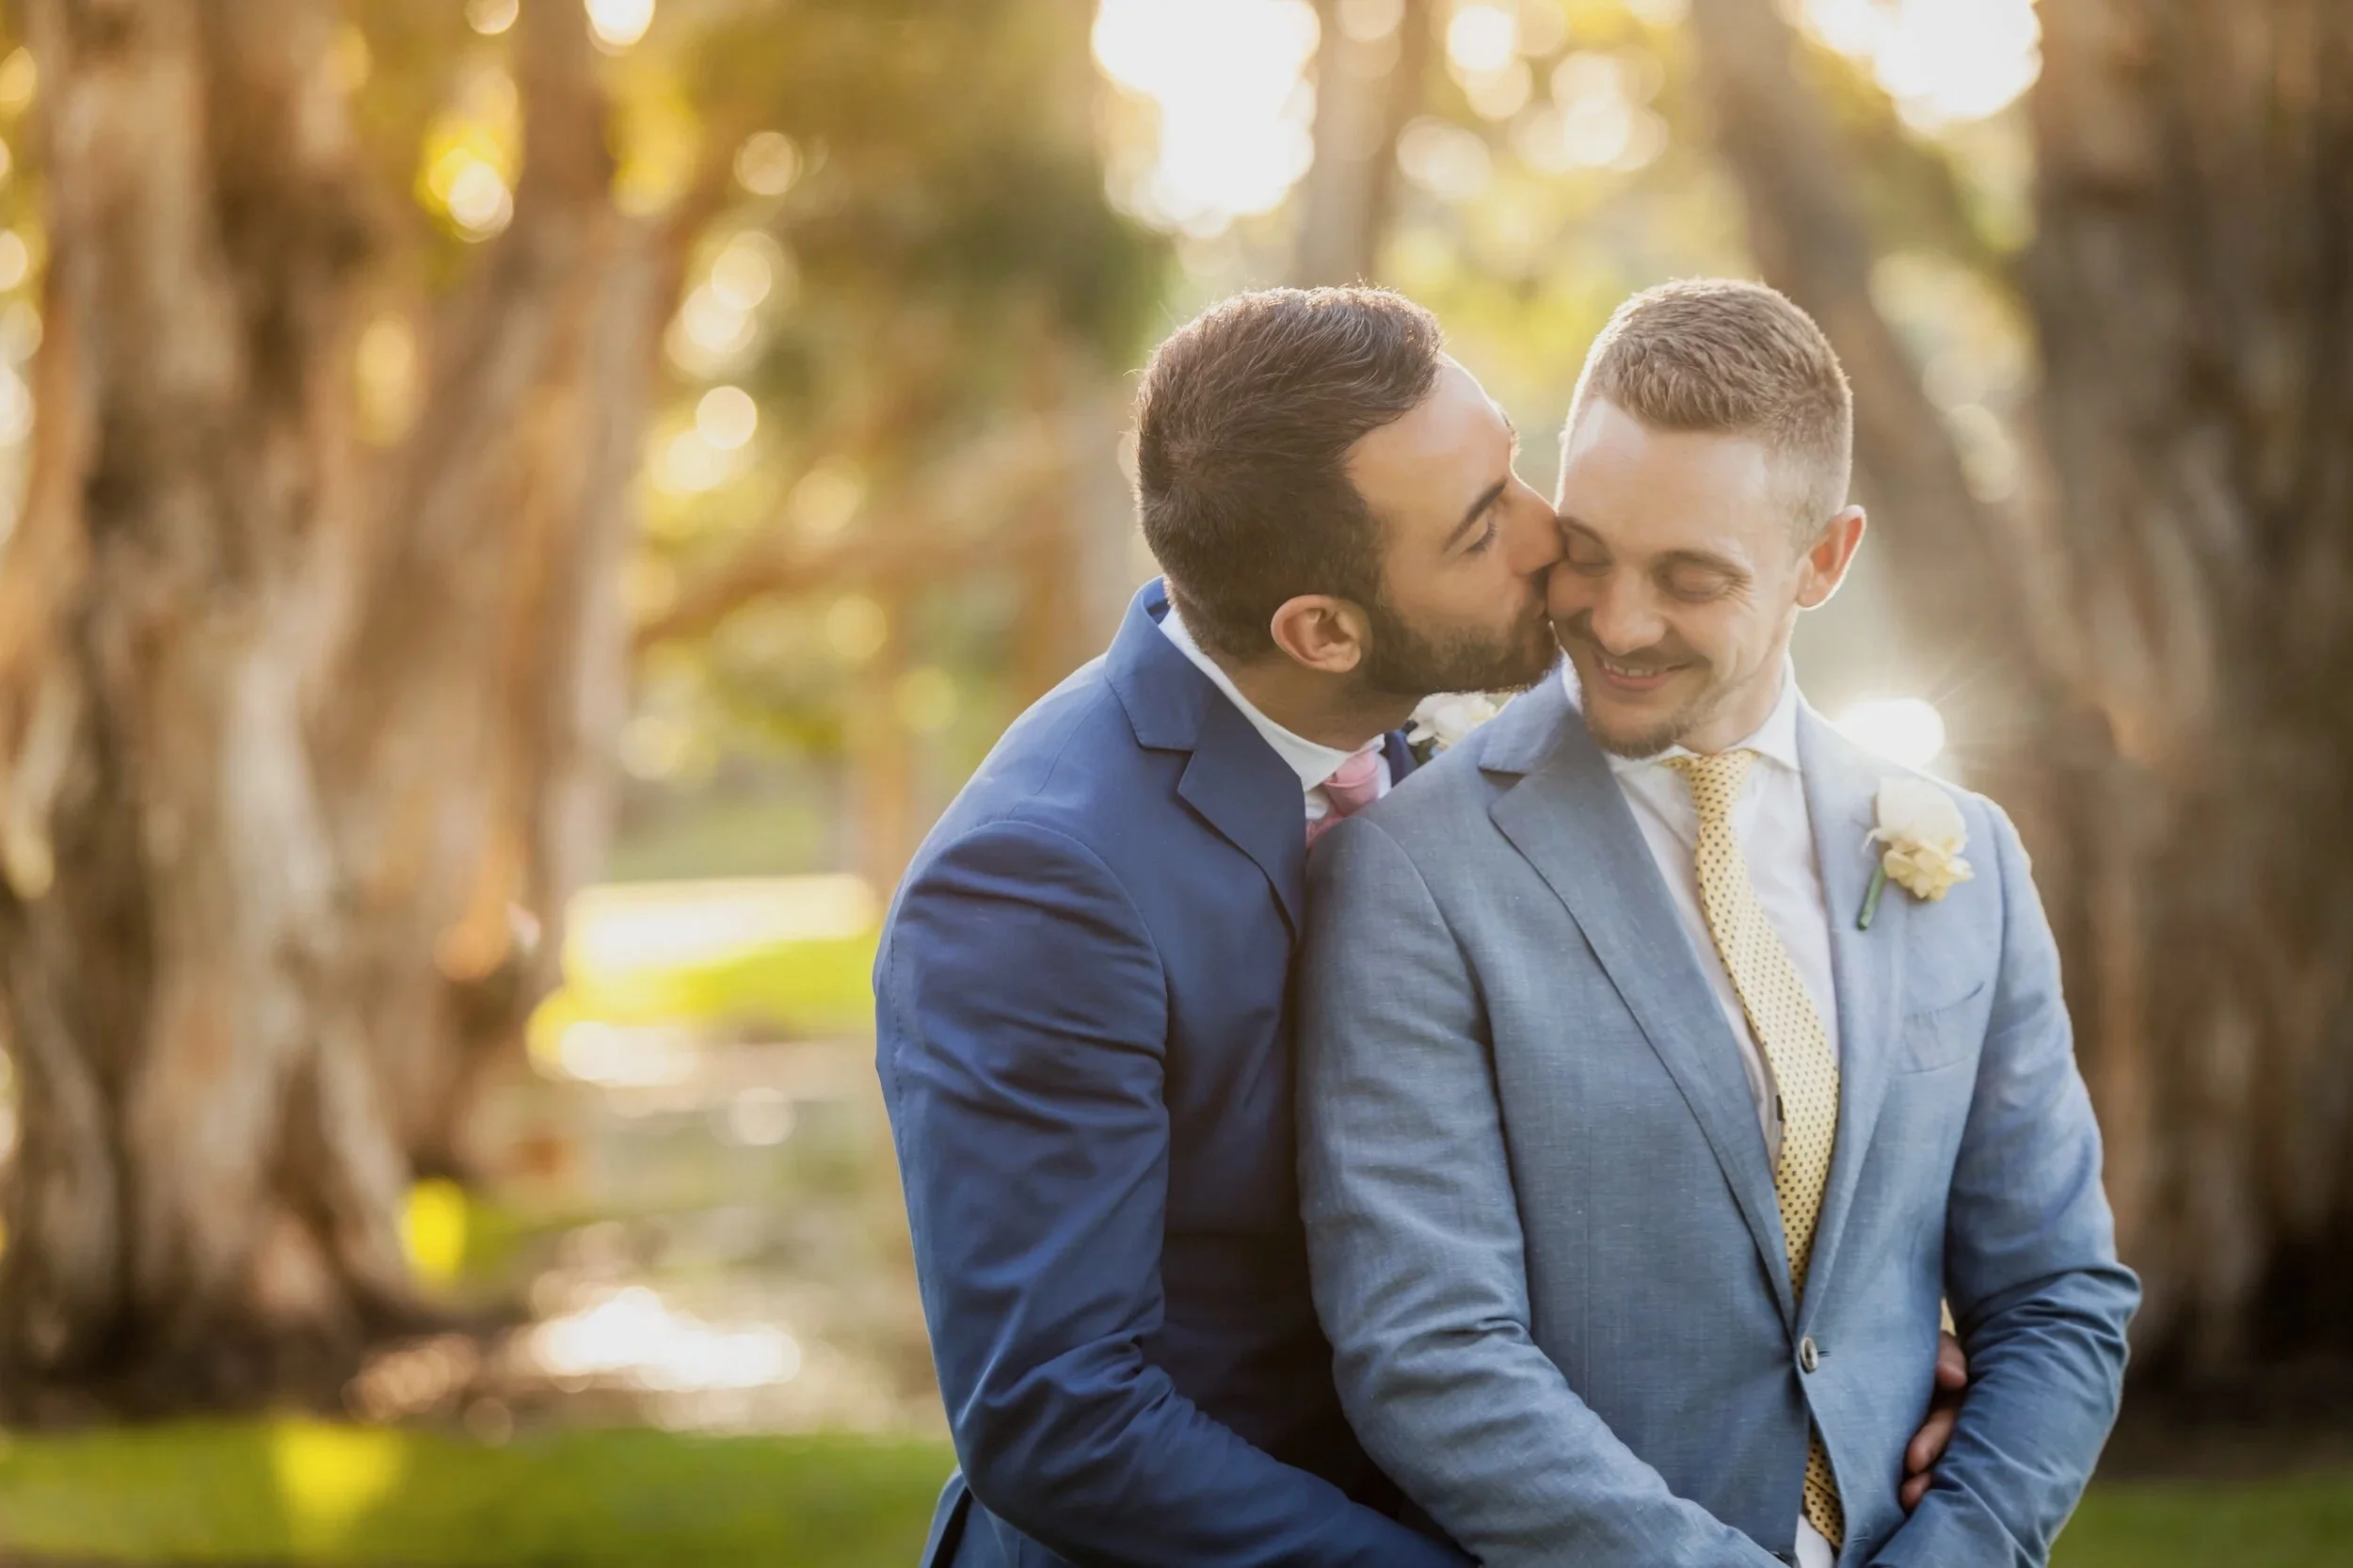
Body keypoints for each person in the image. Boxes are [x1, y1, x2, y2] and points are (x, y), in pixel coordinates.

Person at [879, 285, 1963, 1568]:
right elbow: (1061, 1420)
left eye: (1509, 464)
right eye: (1478, 527)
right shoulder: (1040, 886)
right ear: (1322, 630)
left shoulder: (1454, 728)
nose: (1549, 532)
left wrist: (1864, 1335)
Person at [1296, 278, 2137, 1567]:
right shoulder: (1414, 872)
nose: (1618, 622)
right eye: (1588, 549)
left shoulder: (1967, 859)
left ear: (1824, 560)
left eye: (1691, 578)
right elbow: (1430, 1354)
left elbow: (2059, 1295)